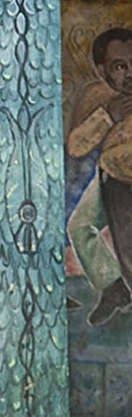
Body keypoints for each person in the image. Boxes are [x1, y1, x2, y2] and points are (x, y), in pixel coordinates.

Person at [67, 28, 132, 325]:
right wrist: (108, 115)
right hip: (109, 173)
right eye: (120, 66)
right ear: (102, 69)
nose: (130, 73)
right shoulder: (97, 95)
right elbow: (77, 146)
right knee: (80, 227)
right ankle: (113, 286)